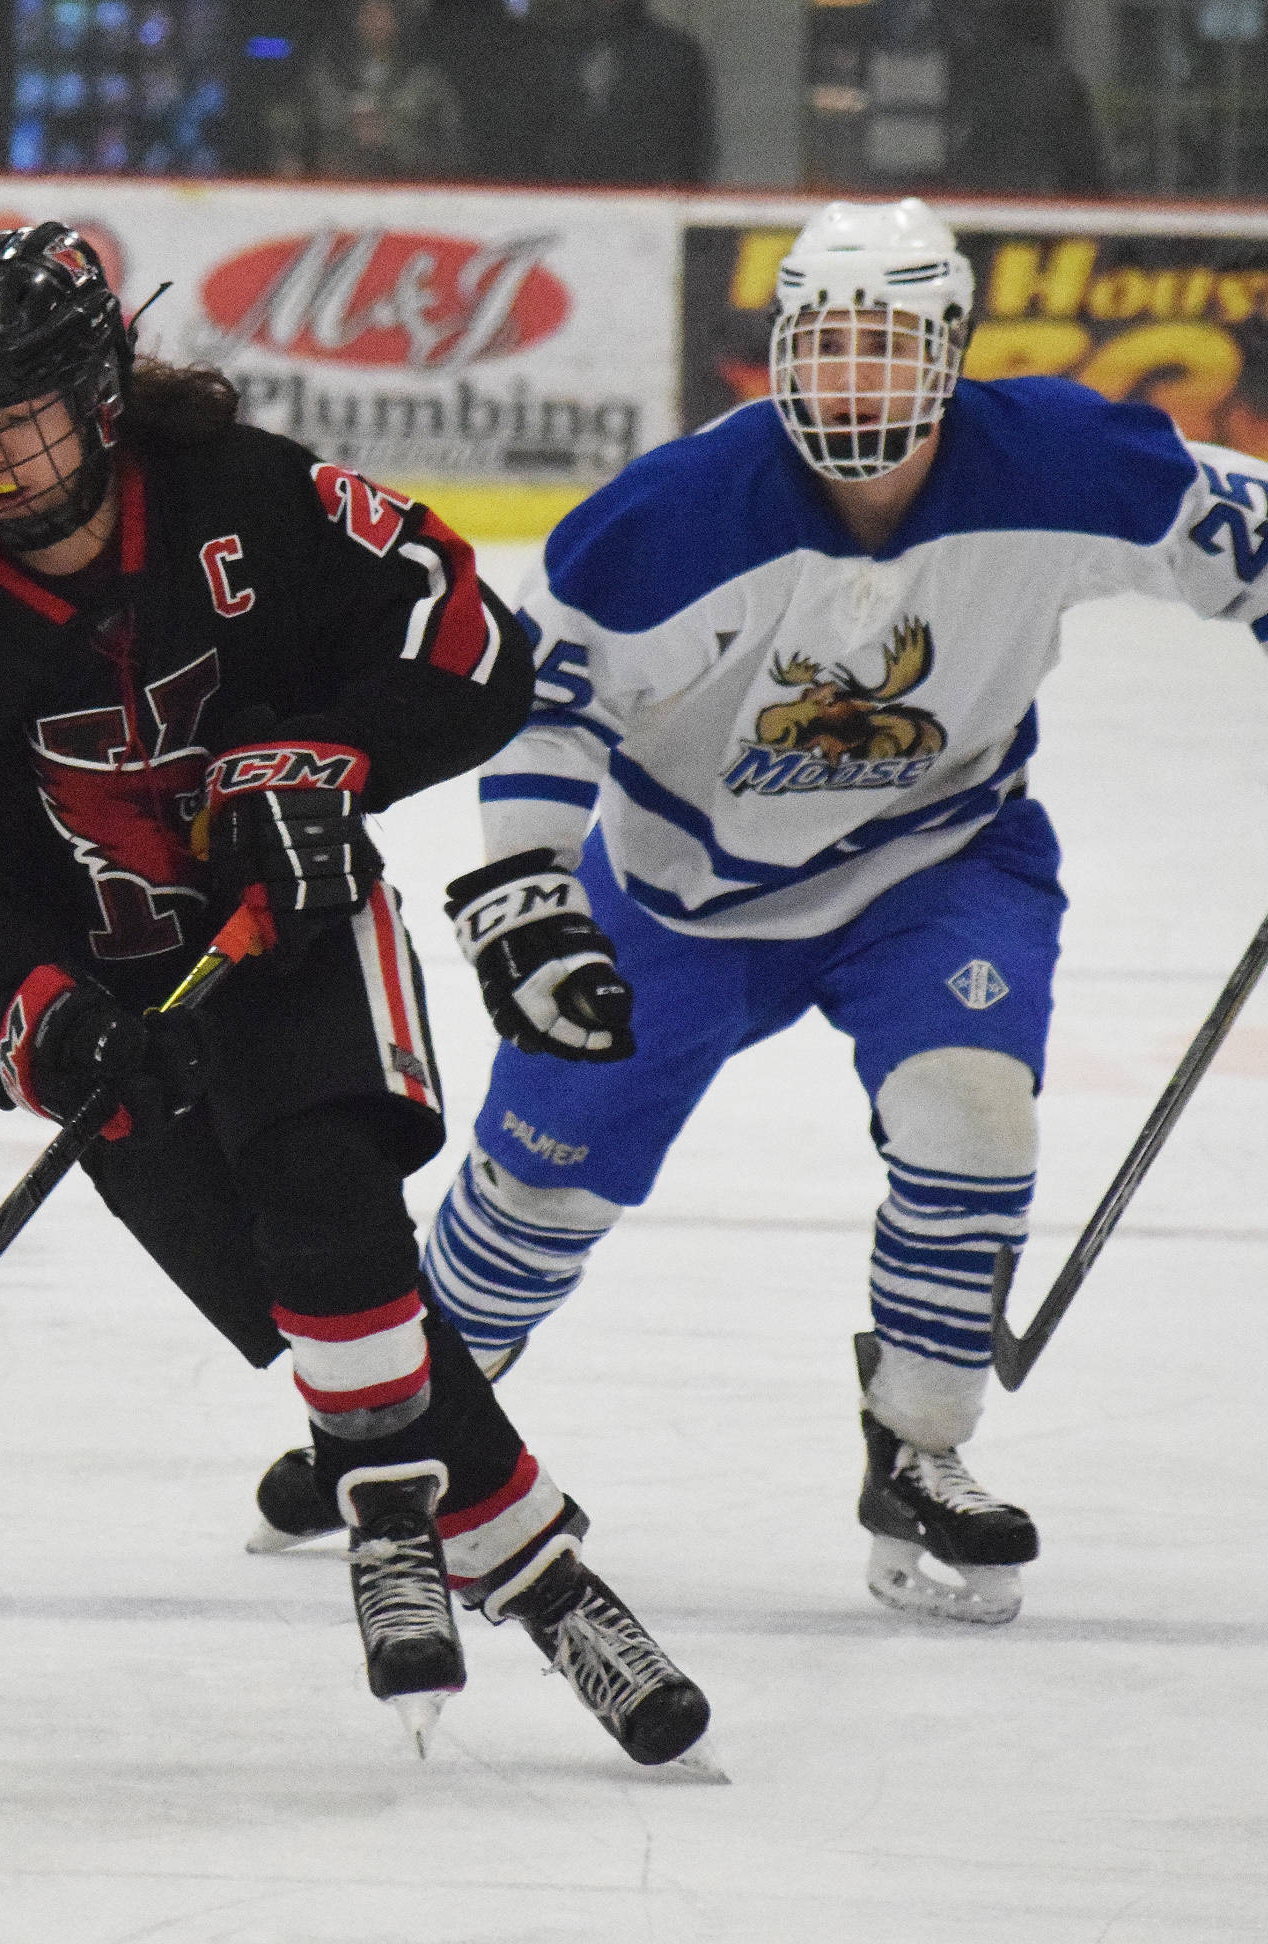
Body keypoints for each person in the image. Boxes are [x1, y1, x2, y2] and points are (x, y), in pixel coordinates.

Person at [249, 197, 1268, 1628]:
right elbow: (547, 709)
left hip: (938, 863)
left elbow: (1244, 532)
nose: (853, 379)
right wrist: (531, 893)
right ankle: (401, 1424)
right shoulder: (667, 521)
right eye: (827, 344)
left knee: (973, 1118)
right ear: (783, 351)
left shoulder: (1062, 460)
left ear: (951, 352)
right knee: (539, 1194)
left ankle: (918, 1450)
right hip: (678, 894)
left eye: (888, 346)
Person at [0, 222, 711, 1765]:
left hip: (284, 935)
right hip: (113, 1013)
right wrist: (39, 1017)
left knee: (328, 1196)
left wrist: (336, 755)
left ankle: (396, 1524)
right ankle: (552, 1579)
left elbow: (465, 634)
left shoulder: (252, 498)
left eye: (20, 413)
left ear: (101, 395)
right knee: (314, 1310)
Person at [507, 0, 713, 187]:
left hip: (646, 206)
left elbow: (692, 152)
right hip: (560, 202)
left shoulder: (674, 54)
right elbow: (527, 136)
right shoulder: (547, 51)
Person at [265, 0, 469, 181]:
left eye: (384, 13)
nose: (376, 22)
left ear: (398, 20)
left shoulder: (426, 81)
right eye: (368, 12)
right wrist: (290, 157)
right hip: (334, 189)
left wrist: (391, 136)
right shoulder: (326, 74)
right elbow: (288, 118)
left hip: (407, 195)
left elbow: (453, 150)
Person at [944, 0, 1105, 196]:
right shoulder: (1057, 81)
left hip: (997, 204)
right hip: (1034, 205)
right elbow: (1088, 172)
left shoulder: (984, 75)